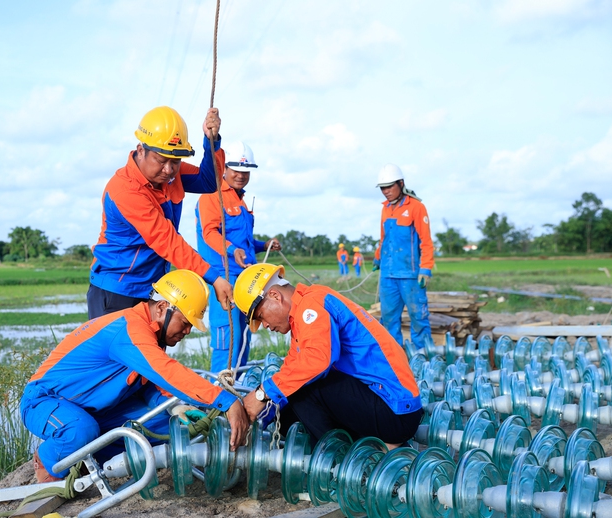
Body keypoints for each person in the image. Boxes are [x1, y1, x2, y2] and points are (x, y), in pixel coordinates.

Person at [22, 270, 249, 483]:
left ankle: (88, 457)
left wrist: (173, 408)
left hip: (95, 410)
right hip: (45, 400)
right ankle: (48, 461)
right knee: (80, 430)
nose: (187, 331)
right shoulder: (129, 329)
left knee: (169, 425)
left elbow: (148, 386)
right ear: (162, 308)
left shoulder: (151, 336)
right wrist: (226, 400)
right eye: (186, 322)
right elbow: (167, 372)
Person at [234, 263, 422, 449]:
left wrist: (262, 394)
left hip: (396, 411)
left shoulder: (312, 305)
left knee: (303, 386)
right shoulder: (300, 321)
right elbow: (290, 371)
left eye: (261, 316)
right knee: (283, 411)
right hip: (379, 404)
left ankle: (337, 460)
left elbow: (316, 361)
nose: (265, 325)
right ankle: (362, 448)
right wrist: (261, 413)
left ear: (275, 296)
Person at [87, 106, 234, 320]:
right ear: (140, 150)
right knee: (120, 353)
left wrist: (212, 142)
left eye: (175, 161)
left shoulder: (171, 175)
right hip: (117, 291)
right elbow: (167, 240)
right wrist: (214, 278)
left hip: (152, 290)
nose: (168, 169)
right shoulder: (125, 190)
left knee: (152, 353)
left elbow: (209, 182)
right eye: (161, 160)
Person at [195, 141, 281, 373]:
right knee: (227, 335)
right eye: (236, 170)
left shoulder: (240, 200)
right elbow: (209, 233)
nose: (241, 175)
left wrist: (264, 245)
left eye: (246, 171)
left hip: (246, 279)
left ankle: (239, 389)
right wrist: (233, 251)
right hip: (224, 277)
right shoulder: (211, 196)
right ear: (224, 168)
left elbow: (244, 243)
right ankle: (219, 390)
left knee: (244, 334)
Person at [372, 163, 434, 352]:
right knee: (388, 318)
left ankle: (423, 358)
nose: (385, 191)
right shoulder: (385, 209)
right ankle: (395, 359)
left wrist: (426, 268)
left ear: (401, 183)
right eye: (383, 188)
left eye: (389, 186)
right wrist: (377, 258)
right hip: (388, 275)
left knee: (418, 317)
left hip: (410, 276)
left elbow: (426, 241)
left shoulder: (416, 207)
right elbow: (384, 239)